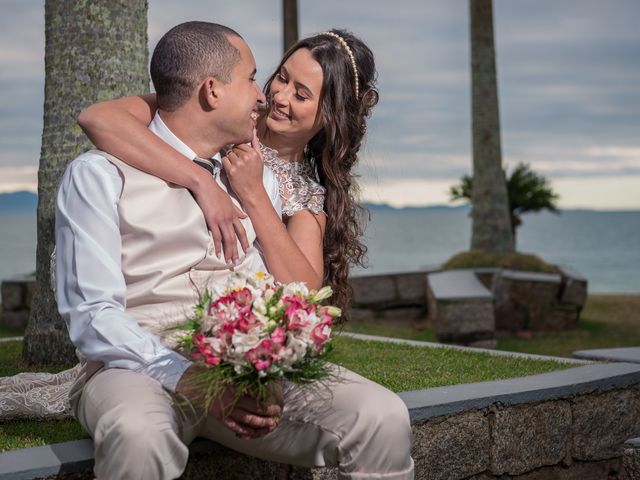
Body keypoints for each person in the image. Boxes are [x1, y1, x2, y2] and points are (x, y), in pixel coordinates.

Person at [28, 21, 414, 479]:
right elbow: (94, 313)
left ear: (327, 117)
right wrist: (199, 180)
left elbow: (294, 287)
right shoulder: (101, 175)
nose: (269, 96)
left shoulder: (266, 180)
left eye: (299, 93)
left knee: (383, 417)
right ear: (211, 91)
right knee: (138, 435)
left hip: (234, 362)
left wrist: (262, 365)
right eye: (264, 78)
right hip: (136, 364)